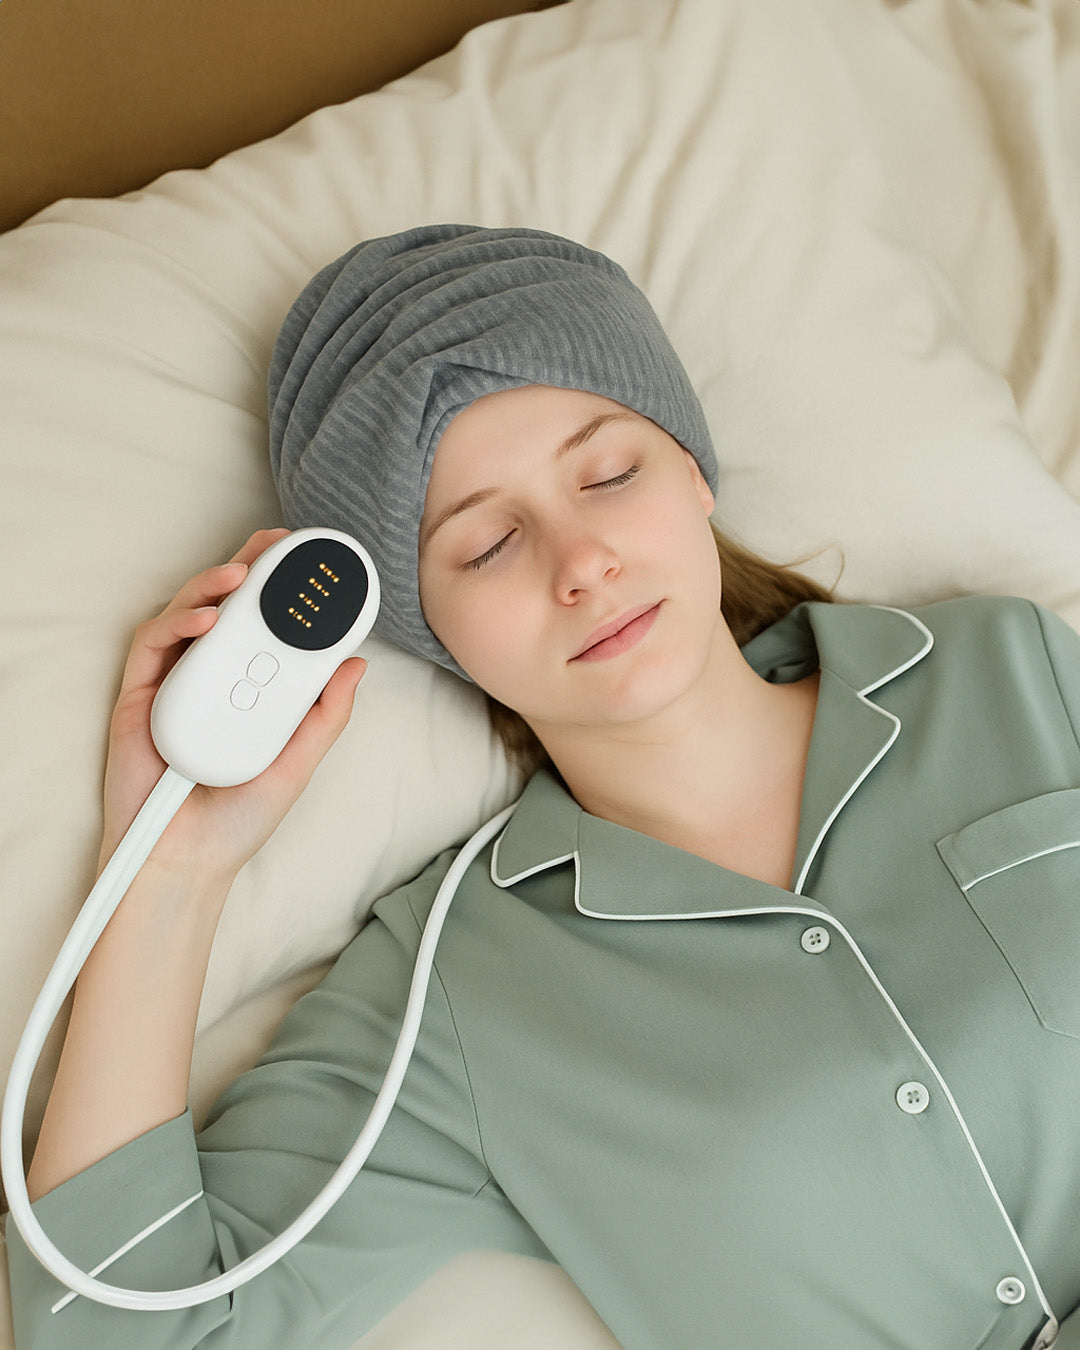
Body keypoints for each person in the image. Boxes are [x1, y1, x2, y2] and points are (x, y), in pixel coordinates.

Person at [6, 225, 1080, 1350]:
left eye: (610, 474)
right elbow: (111, 1335)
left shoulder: (1001, 667)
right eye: (485, 547)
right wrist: (172, 871)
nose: (582, 563)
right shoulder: (452, 987)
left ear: (694, 472)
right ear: (432, 631)